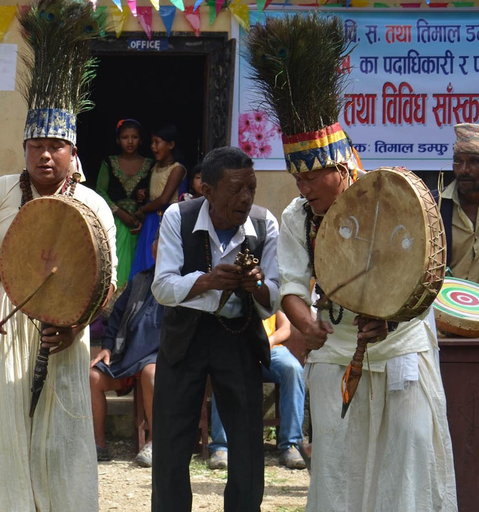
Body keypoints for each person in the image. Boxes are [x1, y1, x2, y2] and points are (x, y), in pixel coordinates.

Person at [245, 13, 456, 510]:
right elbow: (291, 286)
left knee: (405, 461)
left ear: (339, 167)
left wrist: (388, 318)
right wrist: (306, 324)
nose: (303, 188)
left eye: (311, 178)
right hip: (336, 352)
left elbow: (423, 278)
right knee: (339, 469)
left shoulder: (391, 199)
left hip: (401, 347)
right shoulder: (298, 216)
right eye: (297, 180)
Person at [0, 2, 115, 510]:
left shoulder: (93, 204)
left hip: (62, 335)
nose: (44, 154)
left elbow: (107, 284)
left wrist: (76, 327)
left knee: (57, 442)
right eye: (35, 144)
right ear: (24, 148)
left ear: (73, 152)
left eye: (56, 145)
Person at [151, 147, 279, 512]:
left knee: (247, 439)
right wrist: (208, 281)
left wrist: (256, 286)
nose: (246, 198)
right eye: (236, 189)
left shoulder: (264, 224)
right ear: (207, 190)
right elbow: (163, 287)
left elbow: (273, 297)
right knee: (172, 438)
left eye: (251, 188)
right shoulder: (178, 216)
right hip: (185, 335)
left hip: (238, 335)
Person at [90, 236, 162, 466]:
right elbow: (116, 316)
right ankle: (98, 445)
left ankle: (155, 443)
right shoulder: (140, 280)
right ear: (153, 251)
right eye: (158, 247)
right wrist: (107, 347)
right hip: (127, 355)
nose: (161, 252)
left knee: (151, 374)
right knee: (92, 376)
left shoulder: (183, 281)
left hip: (160, 356)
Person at [208, 310, 306, 470]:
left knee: (293, 369)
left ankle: (291, 445)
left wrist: (267, 342)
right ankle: (221, 447)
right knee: (223, 372)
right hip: (237, 347)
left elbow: (285, 328)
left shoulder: (272, 293)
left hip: (272, 348)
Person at [95, 118, 153, 287]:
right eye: (125, 137)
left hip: (140, 225)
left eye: (134, 137)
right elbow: (100, 191)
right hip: (114, 223)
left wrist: (143, 205)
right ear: (117, 140)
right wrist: (119, 213)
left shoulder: (150, 164)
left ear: (140, 140)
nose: (130, 141)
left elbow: (155, 193)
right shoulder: (109, 162)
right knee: (114, 263)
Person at [130, 124, 186, 279]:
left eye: (157, 142)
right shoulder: (154, 167)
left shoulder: (177, 169)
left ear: (171, 144)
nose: (153, 147)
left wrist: (142, 210)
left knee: (158, 259)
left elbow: (163, 199)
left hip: (165, 219)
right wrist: (145, 193)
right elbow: (155, 194)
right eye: (152, 142)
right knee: (146, 259)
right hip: (151, 219)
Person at [438, 123, 479, 281]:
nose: (464, 169)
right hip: (444, 297)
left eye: (474, 161)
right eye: (458, 161)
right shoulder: (434, 206)